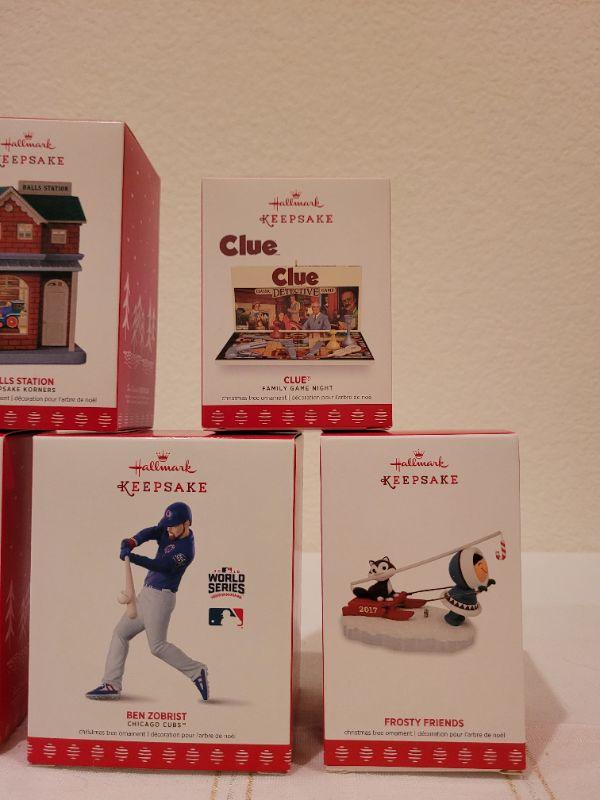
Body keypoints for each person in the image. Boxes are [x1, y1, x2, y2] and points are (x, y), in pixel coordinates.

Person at [85, 502, 209, 701]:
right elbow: (152, 531)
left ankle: (196, 671)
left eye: (173, 525)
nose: (168, 529)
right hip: (146, 595)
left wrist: (132, 557)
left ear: (187, 524)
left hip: (161, 598)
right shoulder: (169, 531)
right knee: (120, 634)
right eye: (168, 525)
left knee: (157, 646)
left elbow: (161, 566)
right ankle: (111, 684)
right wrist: (133, 541)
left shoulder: (186, 550)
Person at [442, 547, 496, 626]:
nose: (484, 569)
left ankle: (459, 616)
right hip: (458, 600)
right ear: (467, 571)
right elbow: (471, 592)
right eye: (480, 566)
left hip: (466, 602)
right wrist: (479, 589)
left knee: (460, 611)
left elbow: (475, 591)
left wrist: (487, 583)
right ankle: (450, 617)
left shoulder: (471, 586)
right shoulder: (464, 589)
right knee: (456, 610)